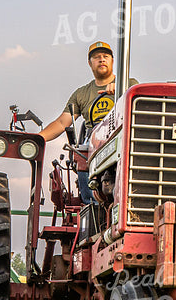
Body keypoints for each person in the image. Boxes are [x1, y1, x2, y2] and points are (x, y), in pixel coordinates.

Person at [40, 41, 136, 206]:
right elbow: (63, 122)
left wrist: (121, 90)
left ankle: (130, 197)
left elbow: (138, 106)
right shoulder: (81, 94)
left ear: (113, 61)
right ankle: (91, 204)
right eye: (97, 57)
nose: (101, 60)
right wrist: (38, 138)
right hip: (94, 138)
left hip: (122, 132)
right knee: (82, 151)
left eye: (105, 56)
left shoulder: (129, 84)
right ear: (90, 63)